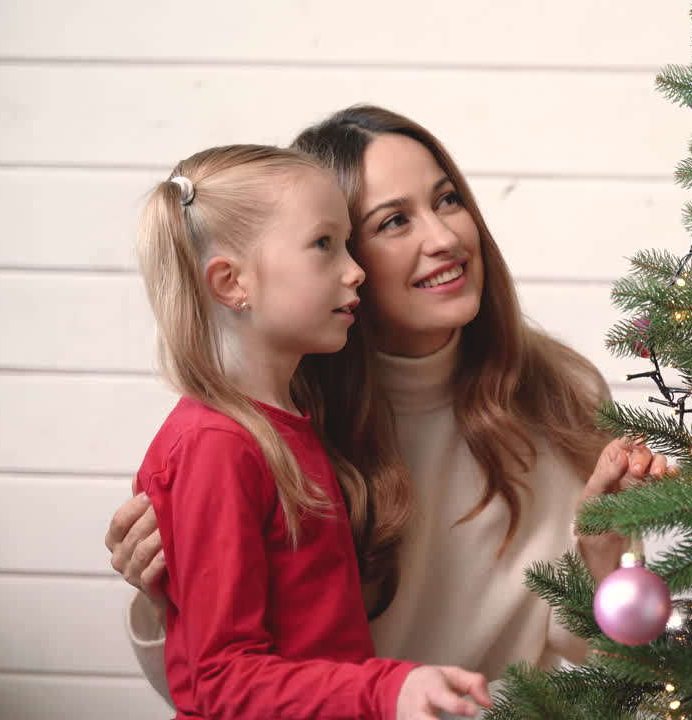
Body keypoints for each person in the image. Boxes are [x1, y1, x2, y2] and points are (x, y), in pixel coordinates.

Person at [106, 107, 673, 708]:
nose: (445, 238)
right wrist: (161, 585)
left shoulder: (563, 395)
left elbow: (612, 670)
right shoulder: (270, 426)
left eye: (448, 199)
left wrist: (602, 556)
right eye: (394, 221)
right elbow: (219, 684)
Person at [127, 143, 492, 719]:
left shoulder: (290, 423)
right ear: (230, 284)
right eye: (325, 245)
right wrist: (386, 690)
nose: (356, 270)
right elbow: (221, 681)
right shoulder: (215, 448)